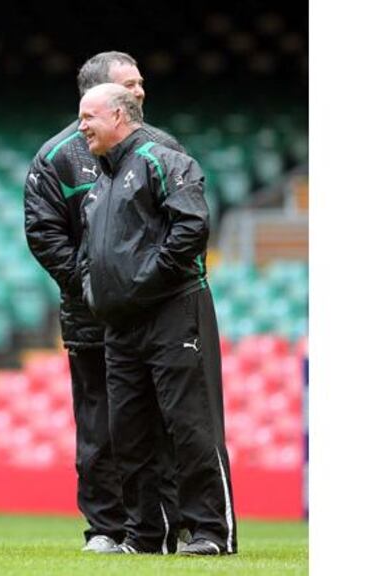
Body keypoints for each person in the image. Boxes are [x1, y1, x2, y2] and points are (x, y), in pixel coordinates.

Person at [24, 51, 185, 553]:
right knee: (99, 430)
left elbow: (181, 224)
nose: (140, 91)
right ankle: (106, 529)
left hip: (154, 316)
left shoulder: (162, 149)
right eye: (129, 84)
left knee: (164, 422)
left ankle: (168, 526)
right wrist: (97, 291)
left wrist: (142, 288)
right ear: (97, 96)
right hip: (91, 320)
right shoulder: (55, 158)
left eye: (140, 83)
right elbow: (44, 235)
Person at [76, 83, 236, 555]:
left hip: (172, 311)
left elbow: (192, 226)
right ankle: (149, 536)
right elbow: (90, 251)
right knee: (128, 430)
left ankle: (211, 532)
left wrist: (147, 281)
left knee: (190, 424)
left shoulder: (162, 160)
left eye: (89, 116)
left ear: (121, 116)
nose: (81, 126)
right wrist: (94, 288)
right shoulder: (100, 180)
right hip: (120, 323)